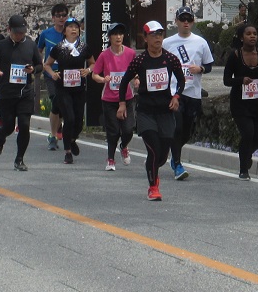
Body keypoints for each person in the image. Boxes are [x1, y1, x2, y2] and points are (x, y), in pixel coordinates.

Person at [117, 21, 185, 201]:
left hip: (165, 111)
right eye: (153, 35)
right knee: (154, 149)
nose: (157, 38)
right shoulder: (140, 60)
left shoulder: (171, 59)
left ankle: (153, 169)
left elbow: (181, 80)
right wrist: (122, 104)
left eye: (160, 34)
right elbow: (124, 82)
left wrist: (176, 96)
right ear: (145, 38)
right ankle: (153, 187)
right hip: (146, 112)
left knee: (162, 154)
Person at [163, 6, 215, 181]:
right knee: (176, 127)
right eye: (182, 19)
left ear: (193, 22)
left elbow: (208, 65)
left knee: (187, 132)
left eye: (189, 19)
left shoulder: (200, 42)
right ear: (176, 21)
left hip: (193, 91)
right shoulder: (167, 43)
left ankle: (174, 152)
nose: (186, 22)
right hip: (173, 92)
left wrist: (199, 68)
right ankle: (177, 164)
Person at [0, 15, 40, 172]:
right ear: (9, 30)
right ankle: (0, 139)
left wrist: (33, 70)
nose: (19, 36)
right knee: (8, 126)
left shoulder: (30, 45)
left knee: (24, 125)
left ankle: (19, 159)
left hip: (25, 92)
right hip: (6, 92)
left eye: (22, 33)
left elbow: (39, 65)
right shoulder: (1, 46)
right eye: (16, 33)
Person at [224, 23, 258, 180]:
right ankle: (243, 169)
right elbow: (226, 80)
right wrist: (240, 80)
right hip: (240, 103)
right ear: (241, 37)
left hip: (257, 102)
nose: (252, 36)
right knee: (247, 133)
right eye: (248, 34)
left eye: (255, 34)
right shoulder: (235, 56)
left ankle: (247, 155)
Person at [44, 17, 93, 164]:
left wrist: (88, 70)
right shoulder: (58, 47)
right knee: (69, 118)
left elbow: (93, 63)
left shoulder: (84, 47)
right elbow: (47, 64)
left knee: (78, 121)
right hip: (63, 88)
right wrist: (53, 74)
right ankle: (67, 152)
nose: (74, 30)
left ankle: (72, 139)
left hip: (79, 88)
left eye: (76, 27)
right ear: (64, 31)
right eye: (70, 27)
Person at [92, 23, 136, 170]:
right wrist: (103, 79)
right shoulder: (104, 55)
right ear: (109, 37)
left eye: (120, 34)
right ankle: (110, 159)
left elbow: (136, 71)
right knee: (113, 131)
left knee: (129, 129)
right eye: (115, 34)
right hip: (109, 99)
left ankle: (123, 146)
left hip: (127, 97)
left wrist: (137, 79)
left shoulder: (130, 53)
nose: (118, 37)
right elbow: (95, 74)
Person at [37, 4, 69, 150]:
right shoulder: (46, 34)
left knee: (63, 103)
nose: (61, 18)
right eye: (58, 16)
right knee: (55, 100)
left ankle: (58, 127)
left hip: (67, 74)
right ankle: (52, 135)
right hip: (51, 73)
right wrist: (38, 65)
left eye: (64, 15)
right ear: (53, 18)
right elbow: (38, 50)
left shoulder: (70, 33)